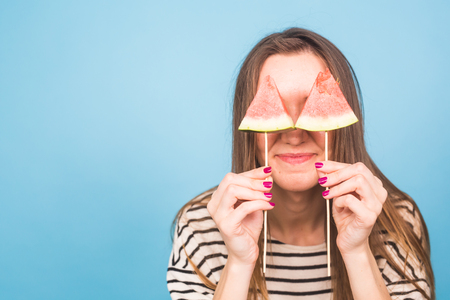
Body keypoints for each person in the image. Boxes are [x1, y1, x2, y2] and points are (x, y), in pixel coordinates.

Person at [167, 28, 435, 300]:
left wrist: (357, 252)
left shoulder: (395, 221)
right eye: (274, 108)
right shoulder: (201, 226)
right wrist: (238, 262)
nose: (294, 133)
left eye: (314, 107)